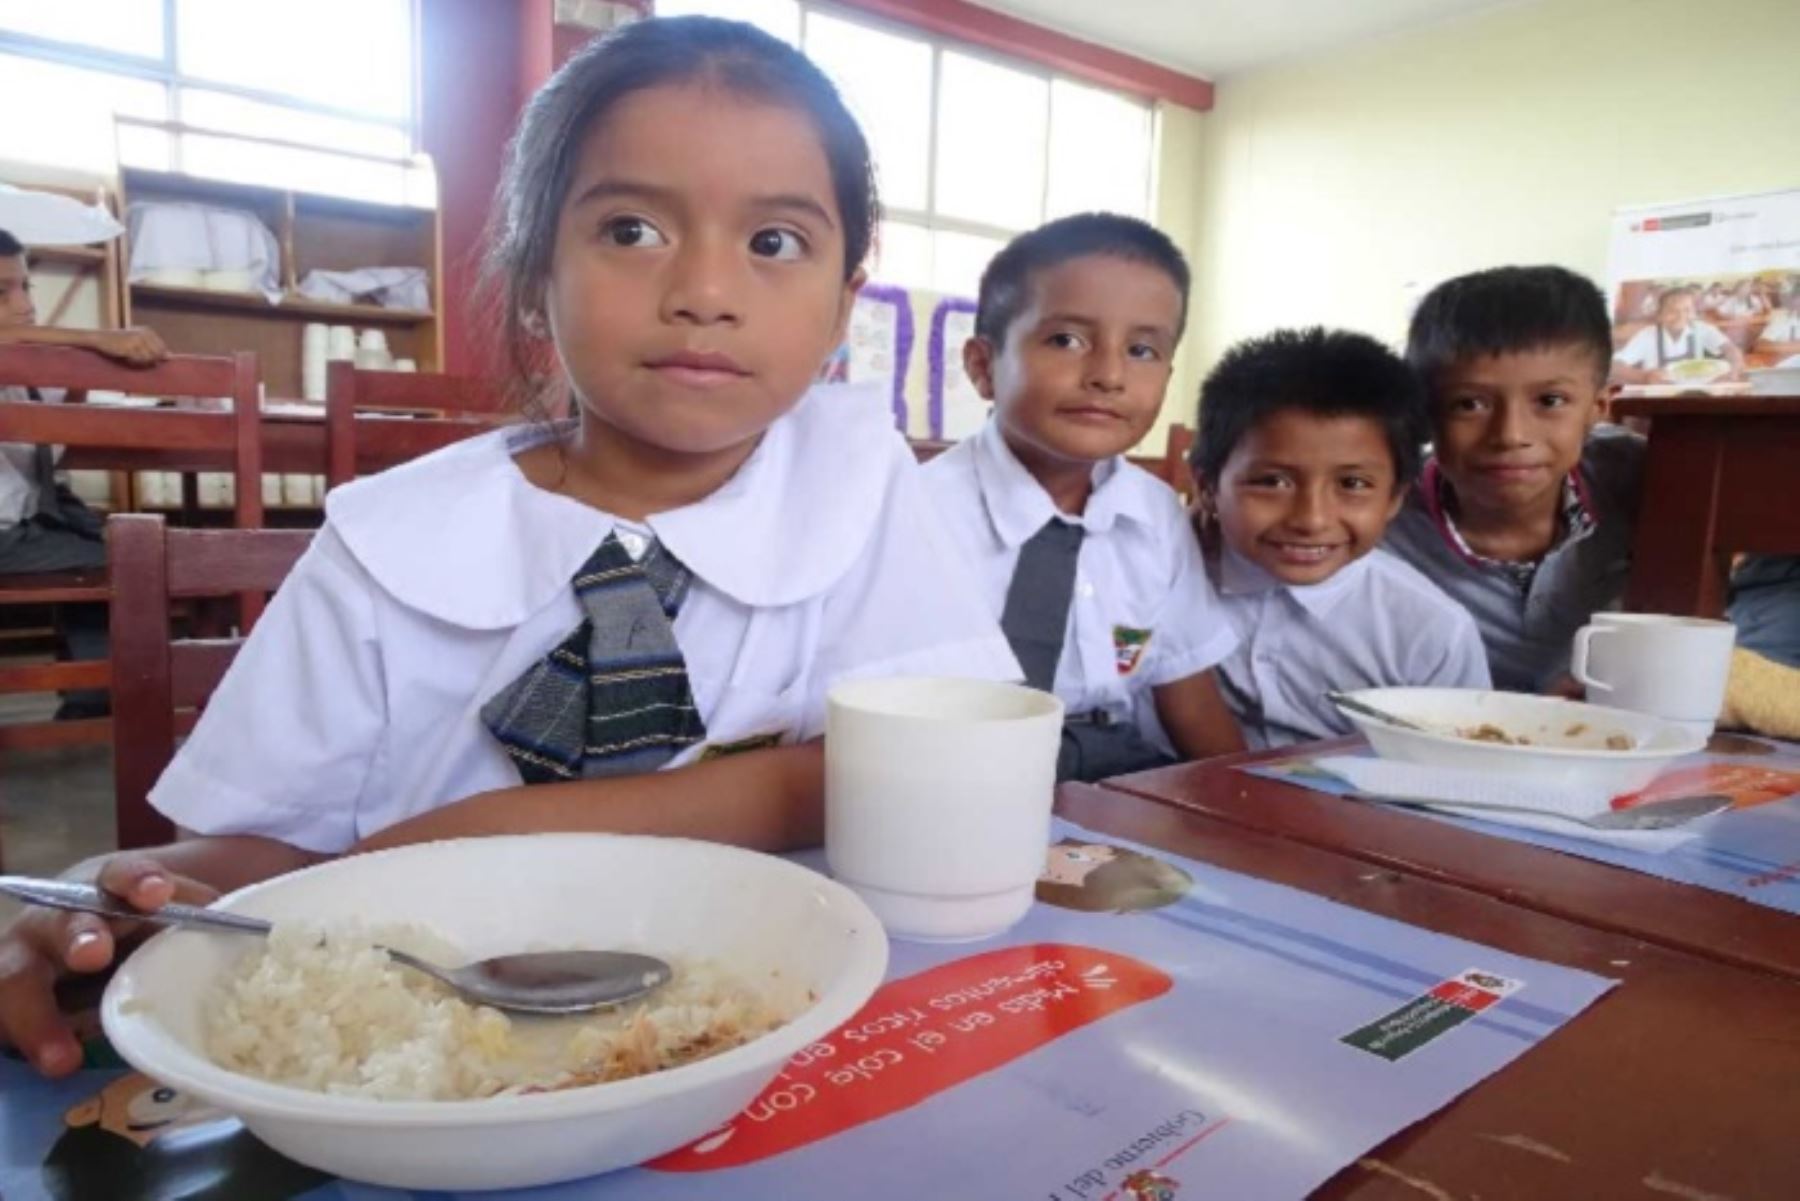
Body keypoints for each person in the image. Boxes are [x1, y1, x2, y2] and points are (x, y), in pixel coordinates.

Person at [0, 15, 1019, 1079]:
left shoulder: (862, 485)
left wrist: (499, 830)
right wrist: (119, 892)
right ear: (535, 273)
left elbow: (928, 766)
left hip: (774, 1035)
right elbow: (276, 862)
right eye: (631, 230)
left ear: (840, 304)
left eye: (775, 243)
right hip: (429, 1067)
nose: (705, 293)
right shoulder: (386, 544)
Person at [923, 213, 1243, 783]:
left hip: (1113, 767)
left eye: (1143, 350)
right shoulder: (915, 512)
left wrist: (1245, 805)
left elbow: (1183, 683)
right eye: (1066, 340)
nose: (1108, 375)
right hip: (948, 768)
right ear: (982, 366)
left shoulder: (1156, 514)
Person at [1190, 327, 1489, 748]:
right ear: (1207, 487)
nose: (1311, 519)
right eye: (1272, 482)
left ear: (1394, 498)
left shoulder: (1431, 632)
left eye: (1352, 483)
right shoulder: (1162, 572)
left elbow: (1463, 771)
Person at [1385, 265, 1644, 693]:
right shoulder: (1378, 516)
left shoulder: (1642, 476)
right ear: (1425, 414)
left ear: (1598, 407)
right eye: (1469, 404)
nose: (1511, 435)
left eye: (1550, 400)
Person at [1, 227, 169, 715]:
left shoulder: (23, 370)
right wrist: (95, 338)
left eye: (25, 286)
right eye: (2, 292)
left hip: (34, 519)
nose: (22, 304)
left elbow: (54, 438)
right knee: (122, 564)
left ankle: (93, 693)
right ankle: (96, 698)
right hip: (9, 533)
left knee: (111, 550)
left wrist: (79, 373)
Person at [1611, 285, 1745, 384]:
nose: (1681, 316)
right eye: (1672, 310)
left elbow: (1731, 350)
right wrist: (1643, 377)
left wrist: (1733, 371)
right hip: (1658, 402)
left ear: (1694, 313)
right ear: (1659, 315)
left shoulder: (1702, 329)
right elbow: (1614, 366)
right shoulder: (1647, 335)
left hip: (1695, 397)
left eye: (1687, 310)